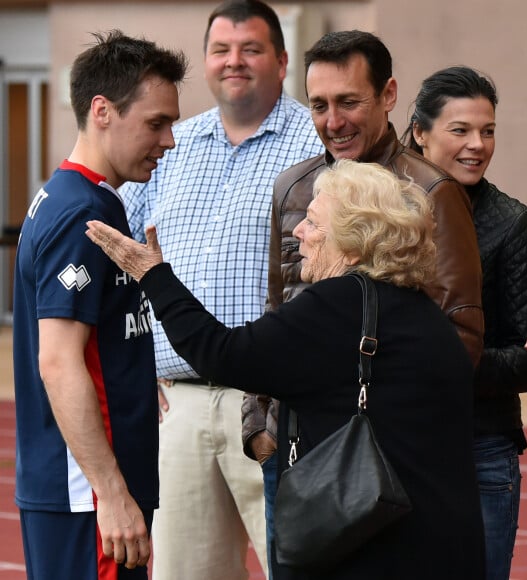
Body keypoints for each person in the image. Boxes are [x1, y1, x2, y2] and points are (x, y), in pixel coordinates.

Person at [87, 158, 486, 580]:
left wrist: (153, 275)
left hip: (374, 550)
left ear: (352, 243)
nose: (298, 232)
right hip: (444, 545)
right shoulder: (425, 314)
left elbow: (221, 353)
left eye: (313, 222)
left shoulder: (338, 303)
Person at [241, 29, 484, 530]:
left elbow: (461, 336)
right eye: (319, 105)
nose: (333, 122)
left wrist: (393, 430)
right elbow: (274, 307)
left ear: (389, 95)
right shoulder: (293, 187)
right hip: (292, 447)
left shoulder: (430, 191)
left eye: (349, 101)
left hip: (381, 457)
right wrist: (259, 428)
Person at [119, 1, 323, 578]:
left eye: (251, 49)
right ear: (205, 63)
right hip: (178, 407)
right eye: (221, 50)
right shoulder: (169, 149)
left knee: (303, 565)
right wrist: (135, 359)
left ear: (282, 62)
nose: (234, 62)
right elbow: (119, 256)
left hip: (276, 404)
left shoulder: (318, 143)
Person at [11, 30, 187, 580]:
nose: (170, 141)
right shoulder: (76, 212)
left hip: (96, 489)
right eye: (156, 123)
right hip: (86, 497)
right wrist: (110, 494)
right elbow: (59, 360)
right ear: (102, 110)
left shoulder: (94, 199)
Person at [402, 65, 527, 580]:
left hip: (480, 448)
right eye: (461, 130)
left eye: (488, 130)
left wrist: (437, 368)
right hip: (393, 445)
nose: (478, 145)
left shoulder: (513, 225)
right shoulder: (380, 211)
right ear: (420, 132)